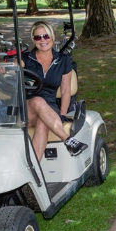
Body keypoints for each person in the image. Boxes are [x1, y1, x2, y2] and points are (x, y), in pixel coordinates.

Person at [22, 21, 86, 160]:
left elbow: (65, 91)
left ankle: (34, 172)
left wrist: (62, 116)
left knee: (43, 123)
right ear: (33, 40)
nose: (43, 40)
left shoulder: (63, 60)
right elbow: (13, 67)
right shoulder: (26, 59)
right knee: (38, 101)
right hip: (27, 109)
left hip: (50, 109)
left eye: (46, 36)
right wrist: (5, 68)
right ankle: (67, 139)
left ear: (52, 36)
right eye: (38, 37)